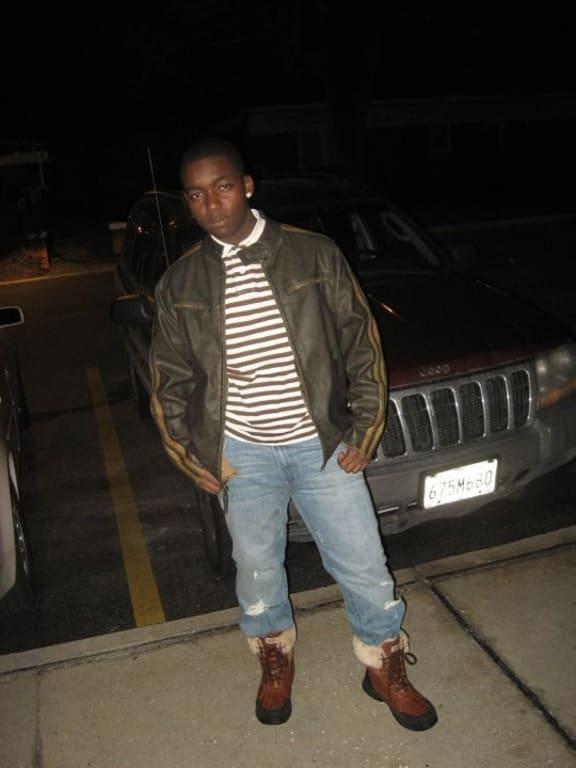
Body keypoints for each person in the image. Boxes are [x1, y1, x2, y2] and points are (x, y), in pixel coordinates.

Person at [149, 138, 437, 730]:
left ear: (247, 186)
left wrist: (365, 427)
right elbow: (169, 379)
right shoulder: (180, 283)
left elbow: (361, 343)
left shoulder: (313, 253)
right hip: (241, 452)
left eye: (223, 187)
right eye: (196, 195)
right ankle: (274, 659)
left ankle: (382, 663)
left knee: (363, 563)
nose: (211, 204)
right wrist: (189, 453)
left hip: (320, 444)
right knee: (256, 570)